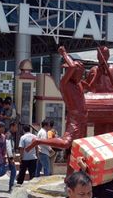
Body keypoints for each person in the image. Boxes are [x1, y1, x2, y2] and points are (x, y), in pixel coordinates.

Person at [26, 46, 89, 175]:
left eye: (82, 73)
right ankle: (38, 141)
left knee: (77, 149)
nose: (80, 75)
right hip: (75, 119)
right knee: (66, 143)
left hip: (83, 119)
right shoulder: (65, 83)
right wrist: (64, 53)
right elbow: (72, 67)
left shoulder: (79, 84)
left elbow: (91, 86)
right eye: (78, 72)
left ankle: (69, 177)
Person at [5, 121, 18, 191]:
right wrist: (11, 157)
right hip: (8, 157)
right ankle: (11, 186)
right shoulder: (8, 135)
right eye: (15, 127)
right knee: (13, 171)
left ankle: (11, 186)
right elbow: (8, 146)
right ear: (12, 127)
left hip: (9, 156)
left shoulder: (10, 134)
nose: (17, 129)